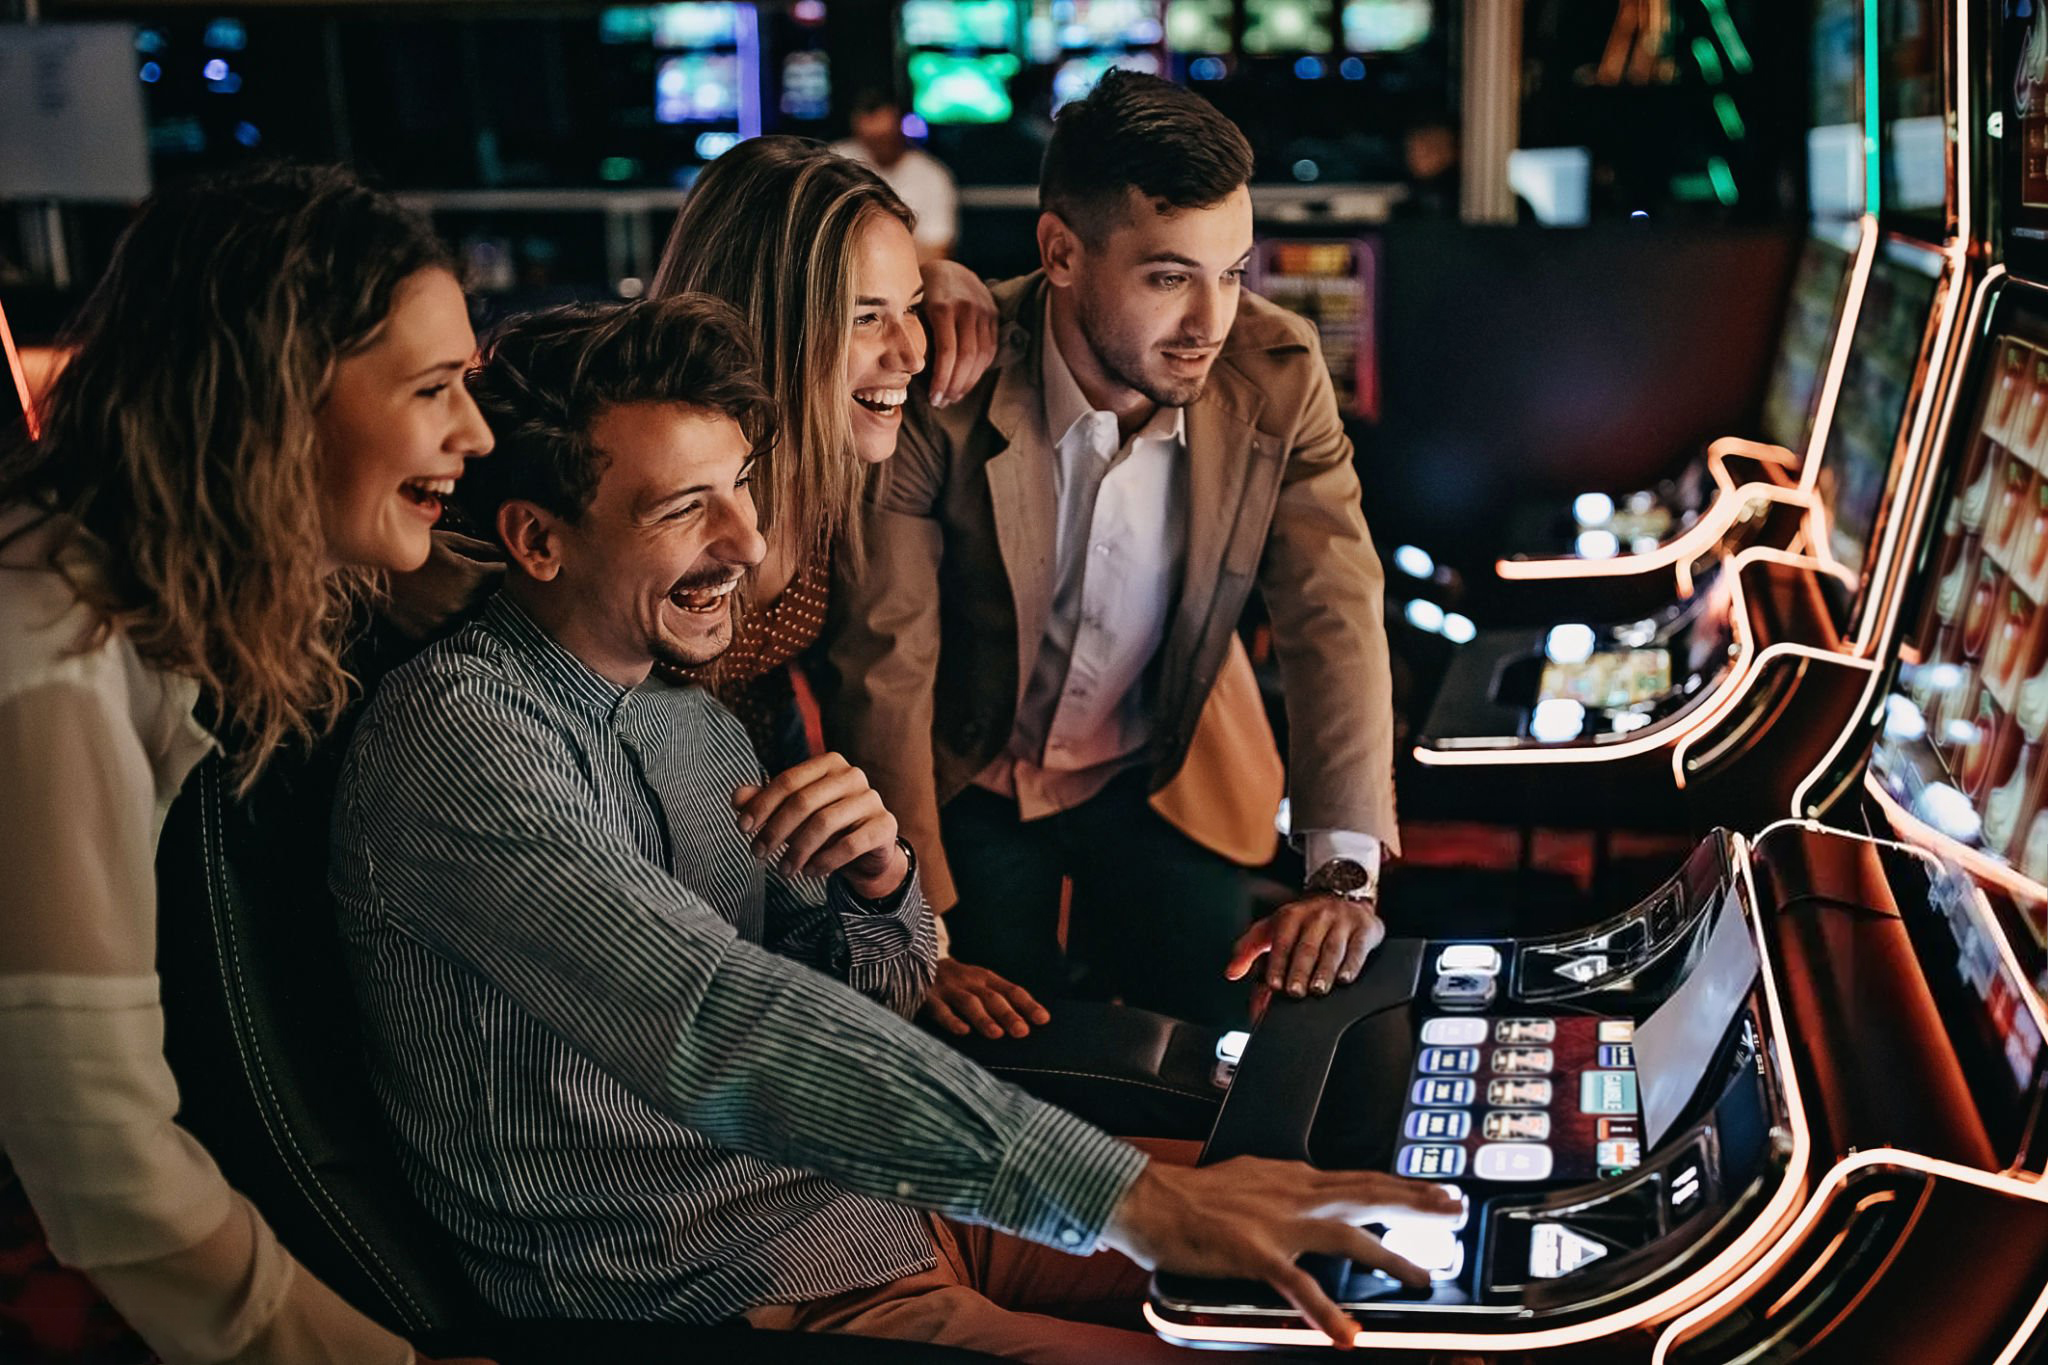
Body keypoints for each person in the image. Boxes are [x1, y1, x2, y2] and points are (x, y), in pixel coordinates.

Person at [331, 296, 1458, 1364]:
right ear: (536, 540)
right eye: (685, 510)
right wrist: (1132, 1202)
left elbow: (877, 995)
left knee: (1380, 1251)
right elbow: (721, 1025)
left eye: (739, 489)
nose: (748, 541)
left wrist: (878, 887)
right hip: (734, 1291)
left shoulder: (692, 711)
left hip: (881, 1197)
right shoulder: (460, 738)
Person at [0, 163, 493, 1364]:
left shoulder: (159, 578)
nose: (472, 432)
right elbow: (102, 1159)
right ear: (271, 408)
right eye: (433, 389)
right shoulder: (51, 664)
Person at [824, 70, 1402, 1029]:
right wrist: (906, 923)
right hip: (972, 770)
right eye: (1170, 277)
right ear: (1059, 252)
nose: (1209, 324)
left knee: (1210, 1038)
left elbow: (1332, 608)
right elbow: (885, 658)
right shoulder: (949, 383)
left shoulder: (1277, 373)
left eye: (1232, 273)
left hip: (1171, 761)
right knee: (989, 1049)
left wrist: (1341, 871)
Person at [651, 136, 1042, 1042]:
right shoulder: (657, 494)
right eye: (867, 317)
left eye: (910, 309)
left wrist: (909, 937)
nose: (911, 350)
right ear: (767, 323)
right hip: (661, 876)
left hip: (765, 837)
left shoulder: (831, 469)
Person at [832, 89, 961, 264]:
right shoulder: (835, 162)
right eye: (871, 138)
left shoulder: (932, 175)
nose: (880, 143)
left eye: (886, 136)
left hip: (907, 275)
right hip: (839, 269)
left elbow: (938, 252)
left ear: (901, 127)